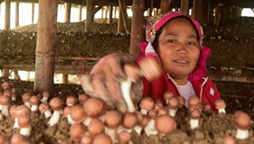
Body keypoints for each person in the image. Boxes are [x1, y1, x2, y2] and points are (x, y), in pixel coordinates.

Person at [81, 11, 221, 112]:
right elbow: (119, 86)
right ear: (154, 48)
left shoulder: (206, 86)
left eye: (191, 43)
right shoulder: (148, 81)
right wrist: (114, 66)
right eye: (172, 41)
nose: (183, 49)